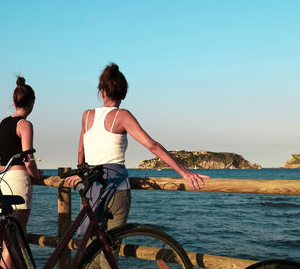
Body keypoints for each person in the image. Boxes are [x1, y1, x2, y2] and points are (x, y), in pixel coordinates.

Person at [65, 62, 210, 236]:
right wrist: (184, 172)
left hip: (91, 183)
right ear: (123, 93)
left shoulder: (87, 115)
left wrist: (80, 174)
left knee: (90, 244)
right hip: (116, 185)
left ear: (101, 90)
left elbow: (81, 152)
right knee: (110, 246)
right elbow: (152, 146)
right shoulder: (122, 116)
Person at [0, 76, 42, 268]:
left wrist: (5, 169)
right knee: (15, 236)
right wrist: (38, 176)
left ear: (13, 102)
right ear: (32, 103)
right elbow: (28, 160)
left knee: (7, 237)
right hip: (19, 180)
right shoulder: (25, 125)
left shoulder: (1, 124)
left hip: (3, 180)